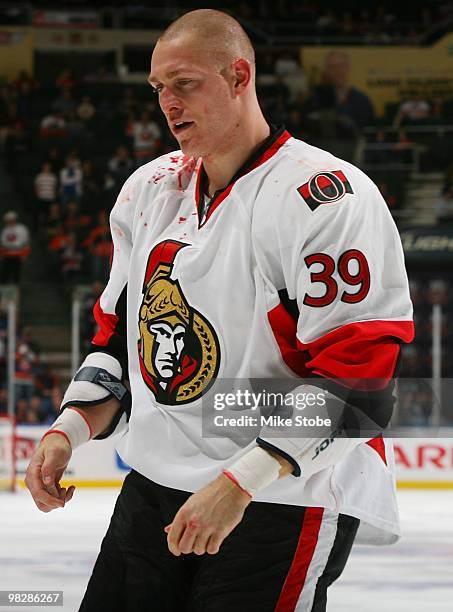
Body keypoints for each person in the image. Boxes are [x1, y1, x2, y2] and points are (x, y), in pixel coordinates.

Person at [25, 9, 414, 612]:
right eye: (158, 89)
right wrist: (68, 430)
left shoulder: (329, 197)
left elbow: (358, 382)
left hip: (281, 498)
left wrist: (239, 484)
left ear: (238, 76)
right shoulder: (147, 192)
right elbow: (121, 342)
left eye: (185, 83)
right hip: (153, 490)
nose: (169, 104)